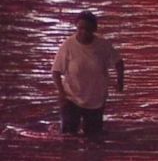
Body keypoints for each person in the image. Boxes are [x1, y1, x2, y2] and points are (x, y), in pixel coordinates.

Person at [52, 10, 124, 138]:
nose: (83, 32)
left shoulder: (103, 45)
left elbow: (118, 62)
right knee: (69, 137)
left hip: (95, 100)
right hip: (71, 98)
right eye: (80, 28)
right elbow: (56, 72)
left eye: (88, 29)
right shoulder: (68, 45)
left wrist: (120, 82)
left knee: (94, 138)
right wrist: (62, 94)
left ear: (94, 30)